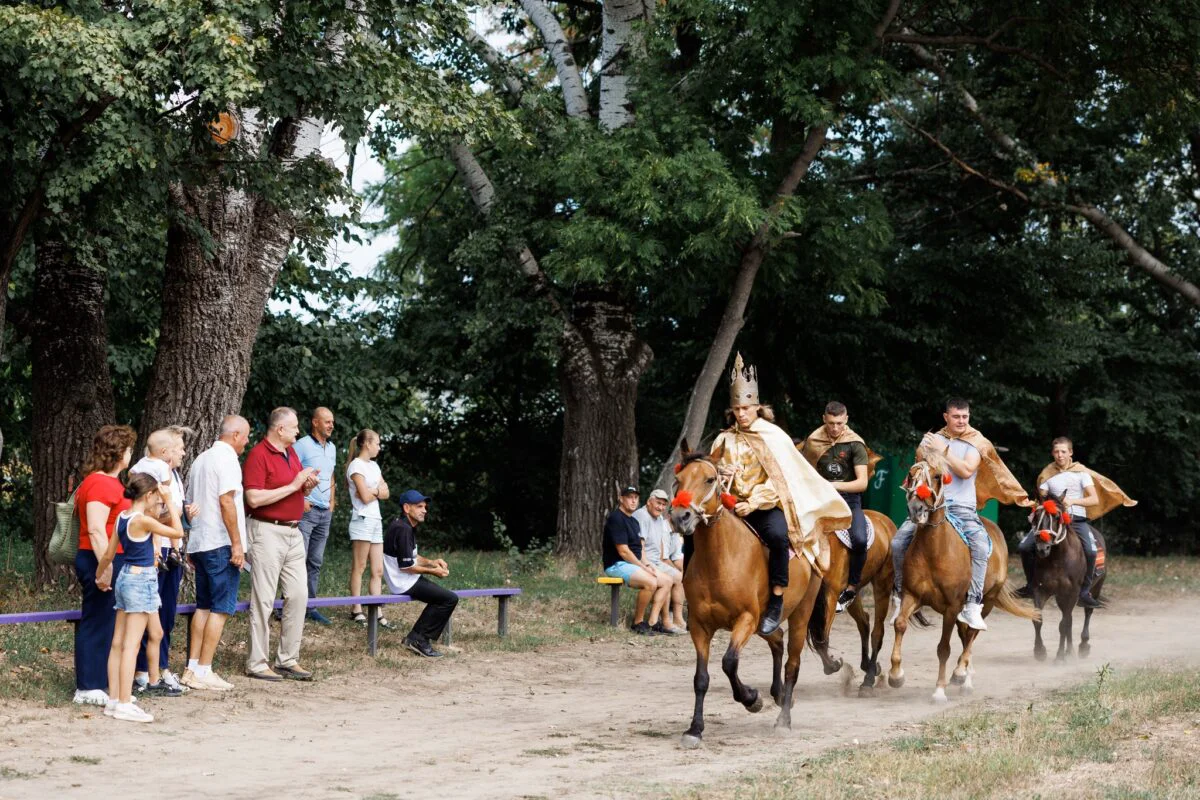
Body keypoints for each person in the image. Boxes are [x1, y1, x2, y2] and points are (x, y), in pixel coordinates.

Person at [710, 354, 851, 635]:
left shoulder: (773, 436)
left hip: (763, 505)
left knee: (777, 536)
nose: (741, 413)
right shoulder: (723, 438)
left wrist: (753, 502)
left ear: (757, 407)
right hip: (729, 506)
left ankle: (776, 598)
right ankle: (698, 593)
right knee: (698, 533)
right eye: (737, 408)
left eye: (746, 408)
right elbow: (709, 474)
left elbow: (783, 480)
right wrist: (721, 475)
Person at [887, 398, 1029, 631]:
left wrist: (942, 451)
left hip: (962, 509)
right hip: (932, 506)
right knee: (898, 541)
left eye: (965, 417)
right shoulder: (932, 438)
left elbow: (965, 470)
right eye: (956, 417)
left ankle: (973, 603)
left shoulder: (977, 441)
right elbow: (921, 468)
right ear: (946, 417)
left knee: (981, 545)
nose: (962, 421)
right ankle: (900, 594)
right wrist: (925, 451)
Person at [95, 473, 186, 722]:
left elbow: (108, 554)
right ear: (148, 496)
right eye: (156, 497)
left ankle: (114, 698)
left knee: (118, 642)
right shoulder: (143, 521)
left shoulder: (122, 519)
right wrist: (170, 501)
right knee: (131, 645)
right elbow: (178, 532)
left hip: (125, 577)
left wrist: (99, 574)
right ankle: (124, 703)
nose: (158, 500)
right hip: (141, 581)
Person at [242, 407, 318, 681]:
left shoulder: (292, 453)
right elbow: (254, 499)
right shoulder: (258, 455)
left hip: (293, 532)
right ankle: (257, 662)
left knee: (299, 595)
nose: (299, 431)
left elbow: (294, 488)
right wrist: (294, 484)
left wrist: (305, 486)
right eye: (295, 426)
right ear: (279, 429)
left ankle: (287, 659)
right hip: (266, 531)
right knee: (263, 599)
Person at [1016, 437, 1136, 606]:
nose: (1060, 455)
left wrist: (1073, 502)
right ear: (1052, 453)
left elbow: (1093, 499)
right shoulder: (1047, 474)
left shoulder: (1081, 473)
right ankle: (1031, 585)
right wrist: (1036, 510)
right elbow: (1042, 500)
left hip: (1077, 520)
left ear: (1070, 452)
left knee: (1091, 550)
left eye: (1063, 451)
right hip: (1053, 522)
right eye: (1056, 452)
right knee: (1024, 547)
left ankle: (1085, 591)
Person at [182, 415, 250, 691]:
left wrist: (190, 543)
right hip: (220, 543)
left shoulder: (200, 460)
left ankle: (192, 667)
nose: (246, 442)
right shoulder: (228, 460)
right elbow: (226, 500)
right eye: (245, 436)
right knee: (220, 608)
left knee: (203, 606)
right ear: (235, 435)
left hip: (200, 541)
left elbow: (189, 503)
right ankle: (205, 670)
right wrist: (237, 544)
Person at [72, 425, 138, 706]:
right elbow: (97, 530)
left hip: (112, 557)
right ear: (119, 452)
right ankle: (87, 686)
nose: (131, 454)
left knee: (109, 621)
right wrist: (105, 567)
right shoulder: (99, 483)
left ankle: (104, 682)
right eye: (129, 448)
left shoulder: (112, 482)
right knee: (97, 620)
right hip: (98, 557)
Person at [129, 427, 197, 696]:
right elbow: (152, 511)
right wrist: (173, 515)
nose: (183, 452)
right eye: (180, 448)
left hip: (172, 548)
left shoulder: (173, 475)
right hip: (157, 551)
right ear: (166, 451)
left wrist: (184, 514)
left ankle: (162, 667)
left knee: (166, 613)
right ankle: (143, 671)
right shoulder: (150, 472)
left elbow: (173, 511)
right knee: (151, 613)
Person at [799, 401, 879, 612]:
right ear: (824, 418)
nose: (835, 428)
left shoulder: (855, 444)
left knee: (860, 540)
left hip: (848, 501)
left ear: (846, 420)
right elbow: (803, 474)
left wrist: (832, 485)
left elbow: (862, 483)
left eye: (839, 423)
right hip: (819, 501)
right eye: (831, 423)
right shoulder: (813, 441)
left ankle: (852, 587)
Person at [382, 490, 458, 658]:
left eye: (425, 507)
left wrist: (432, 562)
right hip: (403, 582)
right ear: (406, 508)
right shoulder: (403, 529)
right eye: (419, 506)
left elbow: (412, 556)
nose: (424, 510)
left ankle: (415, 638)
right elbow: (406, 566)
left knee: (443, 598)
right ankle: (419, 640)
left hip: (407, 578)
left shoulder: (404, 525)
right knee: (448, 599)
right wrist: (433, 572)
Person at [603, 486, 674, 635]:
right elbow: (623, 551)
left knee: (667, 581)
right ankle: (638, 622)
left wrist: (647, 564)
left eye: (635, 497)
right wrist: (643, 567)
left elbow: (638, 548)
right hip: (617, 564)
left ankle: (652, 623)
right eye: (629, 497)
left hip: (632, 563)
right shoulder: (616, 518)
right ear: (621, 499)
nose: (633, 500)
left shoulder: (633, 521)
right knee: (651, 582)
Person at [293, 407, 337, 626]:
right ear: (315, 423)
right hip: (306, 511)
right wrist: (301, 499)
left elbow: (330, 477)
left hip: (324, 513)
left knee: (315, 560)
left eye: (332, 422)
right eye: (327, 422)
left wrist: (331, 503)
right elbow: (291, 472)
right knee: (297, 559)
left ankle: (310, 606)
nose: (331, 425)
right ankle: (289, 605)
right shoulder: (301, 445)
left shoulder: (332, 448)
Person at [346, 429, 390, 626]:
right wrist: (376, 491)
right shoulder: (356, 465)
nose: (379, 447)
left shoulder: (374, 466)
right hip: (362, 519)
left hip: (375, 519)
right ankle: (356, 609)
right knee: (360, 566)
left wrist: (374, 491)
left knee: (378, 569)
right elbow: (363, 497)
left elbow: (386, 492)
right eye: (377, 443)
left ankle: (376, 610)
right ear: (366, 444)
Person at [633, 489, 686, 632]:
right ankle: (659, 621)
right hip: (643, 560)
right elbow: (639, 546)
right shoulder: (642, 516)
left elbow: (661, 548)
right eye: (658, 503)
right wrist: (647, 565)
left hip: (656, 561)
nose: (661, 507)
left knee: (679, 577)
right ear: (649, 502)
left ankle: (677, 618)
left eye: (663, 505)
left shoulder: (659, 519)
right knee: (667, 580)